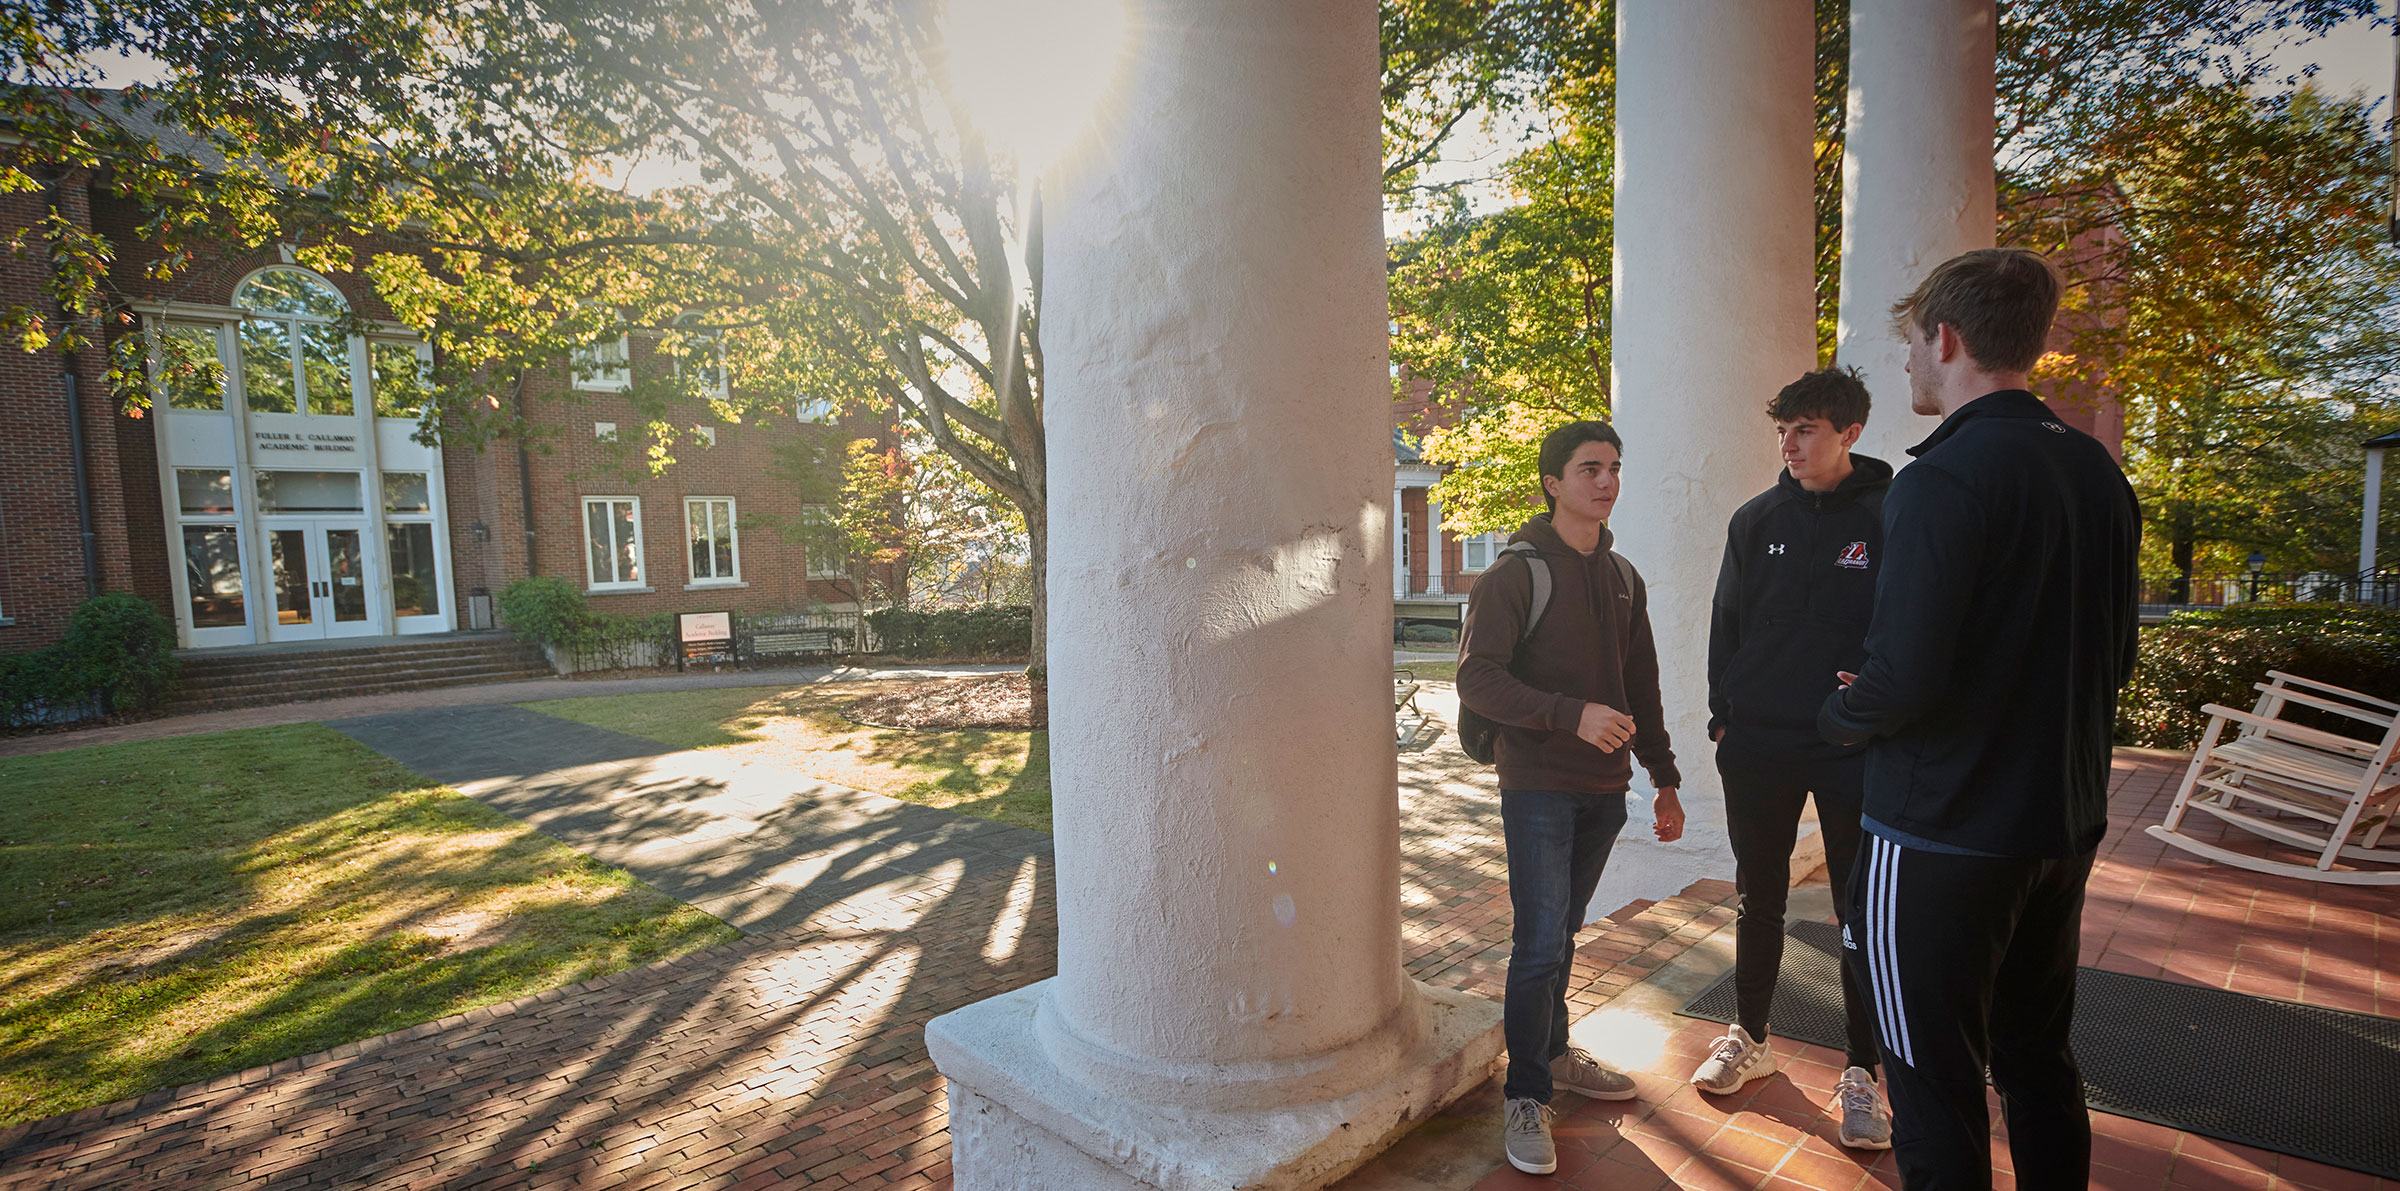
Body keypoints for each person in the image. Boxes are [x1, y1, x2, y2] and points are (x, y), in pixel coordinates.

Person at [1818, 248, 2141, 1190]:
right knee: (2040, 1063)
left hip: (1939, 837)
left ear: (1946, 338)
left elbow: (1903, 677)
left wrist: (1839, 710)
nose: (1910, 365)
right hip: (2059, 828)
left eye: (1913, 343)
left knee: (1931, 1085)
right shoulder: (2097, 472)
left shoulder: (1939, 476)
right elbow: (2111, 660)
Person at [1456, 420, 1686, 1177]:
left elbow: (1641, 685)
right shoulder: (1515, 574)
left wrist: (1665, 776)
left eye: (1614, 467)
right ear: (1553, 483)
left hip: (1606, 789)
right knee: (1538, 941)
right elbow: (1477, 677)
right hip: (1537, 784)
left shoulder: (1623, 577)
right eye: (1590, 468)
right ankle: (1526, 1093)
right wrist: (1568, 712)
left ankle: (1552, 1051)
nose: (1606, 480)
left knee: (1564, 933)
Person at [1689, 367, 1894, 1151]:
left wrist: (1879, 701)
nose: (1789, 443)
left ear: (1849, 432)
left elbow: (1909, 622)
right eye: (1783, 429)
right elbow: (1726, 621)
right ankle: (1751, 1033)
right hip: (1760, 739)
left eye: (1805, 428)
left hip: (1852, 742)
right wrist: (1722, 715)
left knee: (1858, 911)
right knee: (1758, 895)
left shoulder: (1889, 515)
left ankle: (1864, 1074)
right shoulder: (1756, 517)